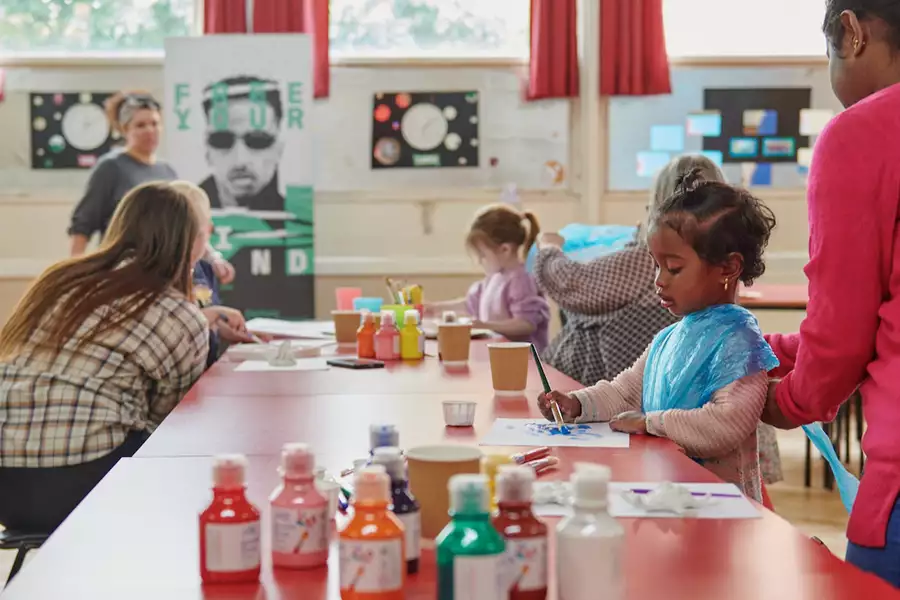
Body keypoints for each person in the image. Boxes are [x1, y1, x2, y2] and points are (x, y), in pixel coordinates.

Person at [535, 154, 783, 491]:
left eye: (674, 268)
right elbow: (624, 393)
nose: (659, 281)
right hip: (671, 493)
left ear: (728, 267)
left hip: (720, 505)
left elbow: (727, 423)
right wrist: (578, 403)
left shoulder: (739, 340)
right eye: (656, 266)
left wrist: (651, 422)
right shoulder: (669, 337)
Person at [761, 0, 900, 586]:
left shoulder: (864, 131)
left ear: (851, 31)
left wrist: (779, 402)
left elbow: (843, 335)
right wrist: (774, 349)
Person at [0, 182, 211, 533]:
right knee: (187, 452)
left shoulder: (59, 279)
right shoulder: (181, 315)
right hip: (86, 482)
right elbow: (168, 421)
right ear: (188, 243)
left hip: (6, 490)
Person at [67, 91, 236, 284]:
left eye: (154, 123)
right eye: (140, 125)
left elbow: (187, 223)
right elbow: (83, 223)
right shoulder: (111, 168)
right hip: (122, 272)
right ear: (125, 129)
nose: (150, 130)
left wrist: (213, 258)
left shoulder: (166, 171)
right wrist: (76, 275)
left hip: (163, 274)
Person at [425, 204, 550, 351]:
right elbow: (471, 304)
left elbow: (525, 324)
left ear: (505, 249)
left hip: (525, 362)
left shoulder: (521, 279)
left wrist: (485, 326)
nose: (479, 261)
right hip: (501, 357)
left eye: (483, 255)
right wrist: (435, 308)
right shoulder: (495, 277)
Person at [169, 181, 255, 367]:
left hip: (206, 367)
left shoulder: (205, 269)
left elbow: (208, 319)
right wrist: (216, 313)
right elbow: (176, 326)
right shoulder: (165, 272)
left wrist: (232, 332)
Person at [199, 76, 286, 211]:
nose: (240, 160)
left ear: (279, 149)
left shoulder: (297, 222)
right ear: (207, 151)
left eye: (258, 141)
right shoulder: (184, 215)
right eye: (222, 141)